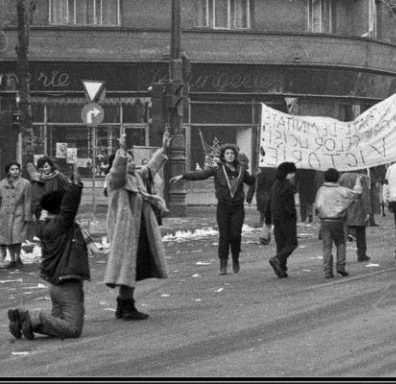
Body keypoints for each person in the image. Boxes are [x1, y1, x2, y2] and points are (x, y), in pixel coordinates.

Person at [7, 164, 91, 340]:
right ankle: (31, 318)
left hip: (56, 284)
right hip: (67, 284)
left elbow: (39, 202)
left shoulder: (43, 224)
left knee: (58, 322)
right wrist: (76, 185)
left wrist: (36, 180)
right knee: (73, 329)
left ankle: (27, 322)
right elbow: (69, 207)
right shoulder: (61, 224)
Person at [103, 132, 171, 320]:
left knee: (133, 266)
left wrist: (163, 148)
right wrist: (122, 151)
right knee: (127, 266)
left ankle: (125, 304)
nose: (133, 163)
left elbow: (152, 167)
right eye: (129, 161)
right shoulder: (115, 179)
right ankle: (125, 305)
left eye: (132, 160)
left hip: (139, 229)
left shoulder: (138, 176)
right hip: (124, 232)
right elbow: (117, 170)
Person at [170, 144, 257, 275]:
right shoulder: (217, 169)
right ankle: (223, 263)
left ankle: (235, 259)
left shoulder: (241, 170)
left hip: (238, 207)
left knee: (235, 235)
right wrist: (183, 176)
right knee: (224, 236)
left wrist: (257, 174)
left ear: (235, 156)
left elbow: (250, 181)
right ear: (223, 155)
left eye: (232, 153)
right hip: (223, 206)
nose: (230, 155)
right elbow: (200, 174)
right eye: (227, 153)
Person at [313, 168, 362, 278]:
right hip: (338, 221)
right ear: (337, 178)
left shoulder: (321, 190)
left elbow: (318, 205)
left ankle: (327, 270)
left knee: (327, 246)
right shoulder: (341, 190)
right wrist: (358, 181)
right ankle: (340, 265)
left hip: (324, 221)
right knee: (340, 243)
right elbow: (356, 194)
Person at [264, 161, 298, 278]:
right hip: (287, 218)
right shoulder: (287, 186)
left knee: (281, 243)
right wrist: (293, 216)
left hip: (276, 218)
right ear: (286, 173)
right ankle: (277, 259)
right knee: (292, 243)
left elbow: (269, 202)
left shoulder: (275, 185)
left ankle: (281, 268)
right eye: (291, 172)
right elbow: (289, 205)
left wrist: (268, 218)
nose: (293, 175)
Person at [0, 162, 32, 269]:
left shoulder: (25, 183)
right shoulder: (2, 183)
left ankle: (18, 258)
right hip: (5, 214)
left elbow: (27, 200)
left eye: (17, 169)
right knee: (7, 238)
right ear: (8, 171)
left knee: (16, 237)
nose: (15, 171)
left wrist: (27, 215)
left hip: (18, 213)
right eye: (12, 169)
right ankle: (12, 260)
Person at [338, 170, 372, 262]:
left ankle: (341, 256)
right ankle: (361, 254)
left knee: (343, 233)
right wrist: (367, 211)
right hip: (359, 207)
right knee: (361, 233)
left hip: (346, 207)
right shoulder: (363, 177)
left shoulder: (343, 176)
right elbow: (365, 196)